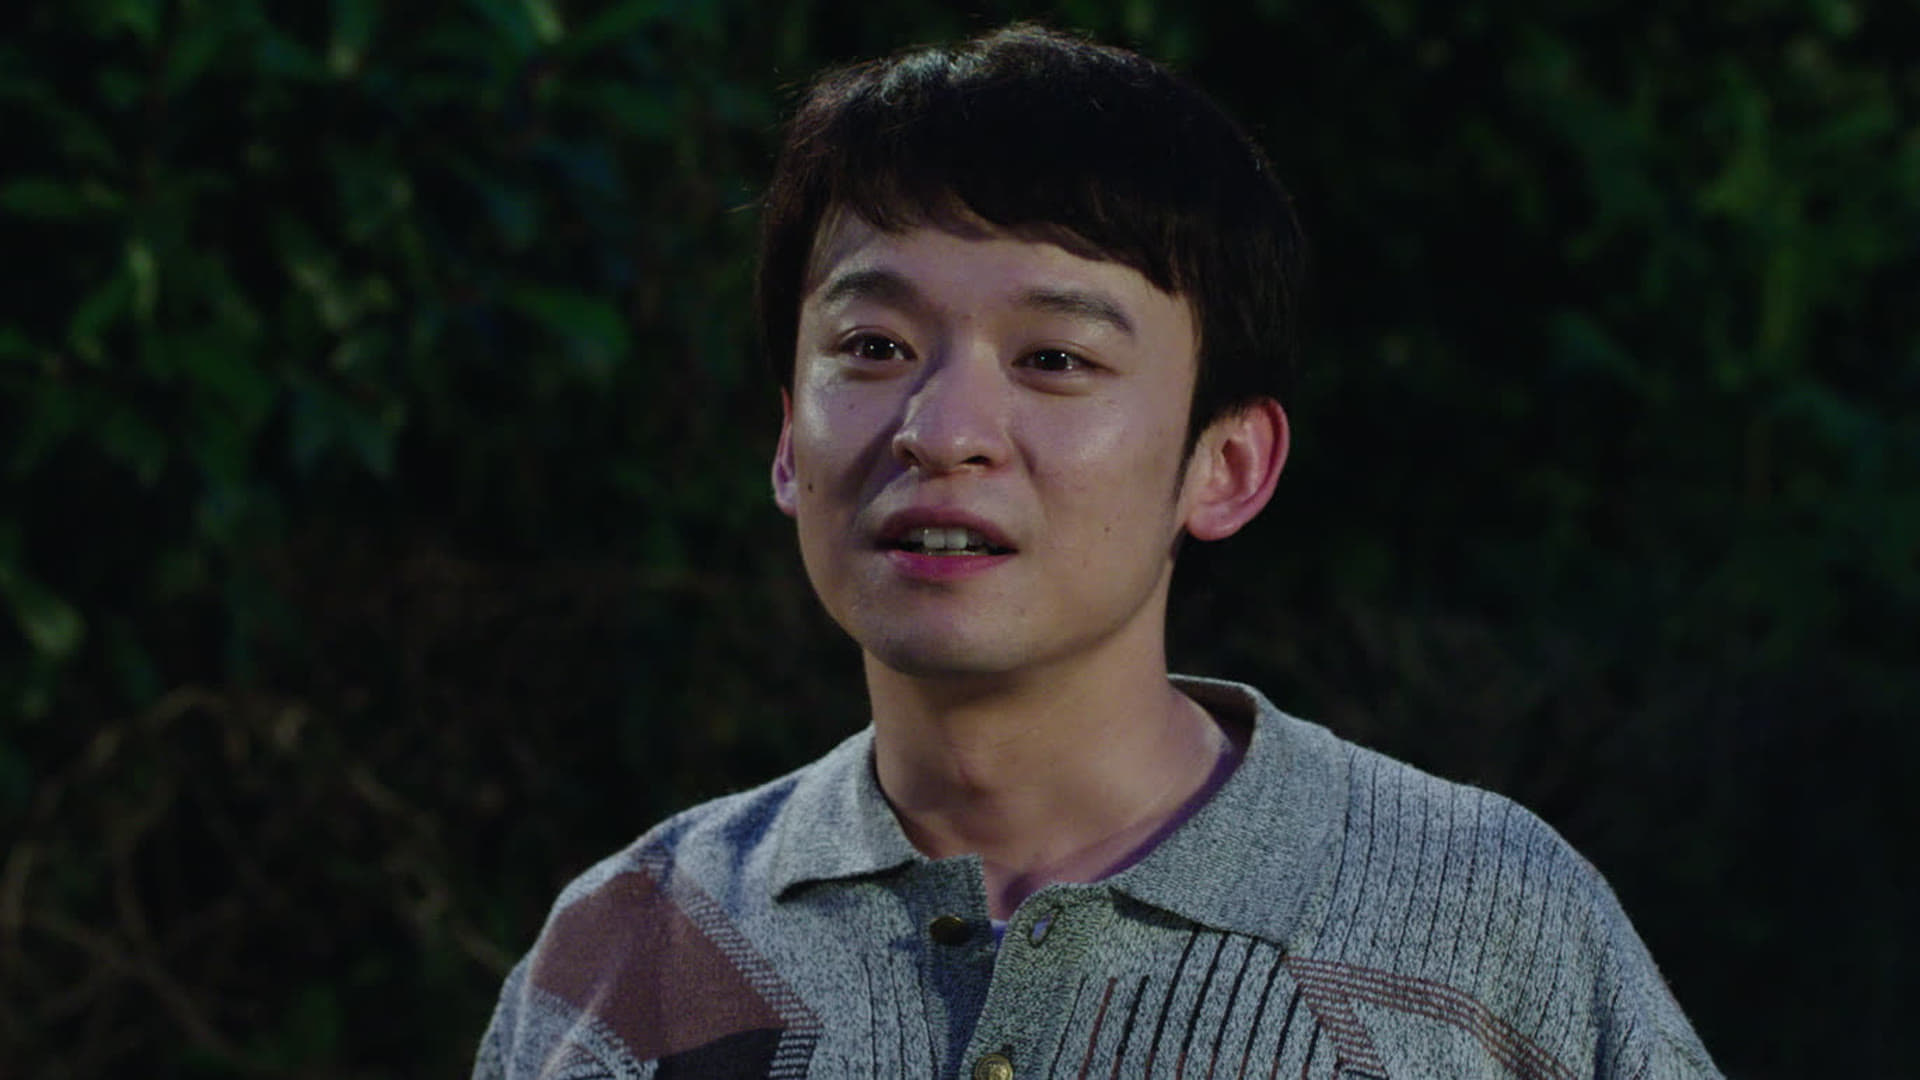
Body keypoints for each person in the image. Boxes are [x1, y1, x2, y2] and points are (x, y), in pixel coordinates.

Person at [474, 24, 1719, 1079]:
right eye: (874, 347)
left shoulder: (1484, 924)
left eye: (1055, 359)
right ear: (789, 439)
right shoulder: (631, 958)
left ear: (1227, 465)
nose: (942, 431)